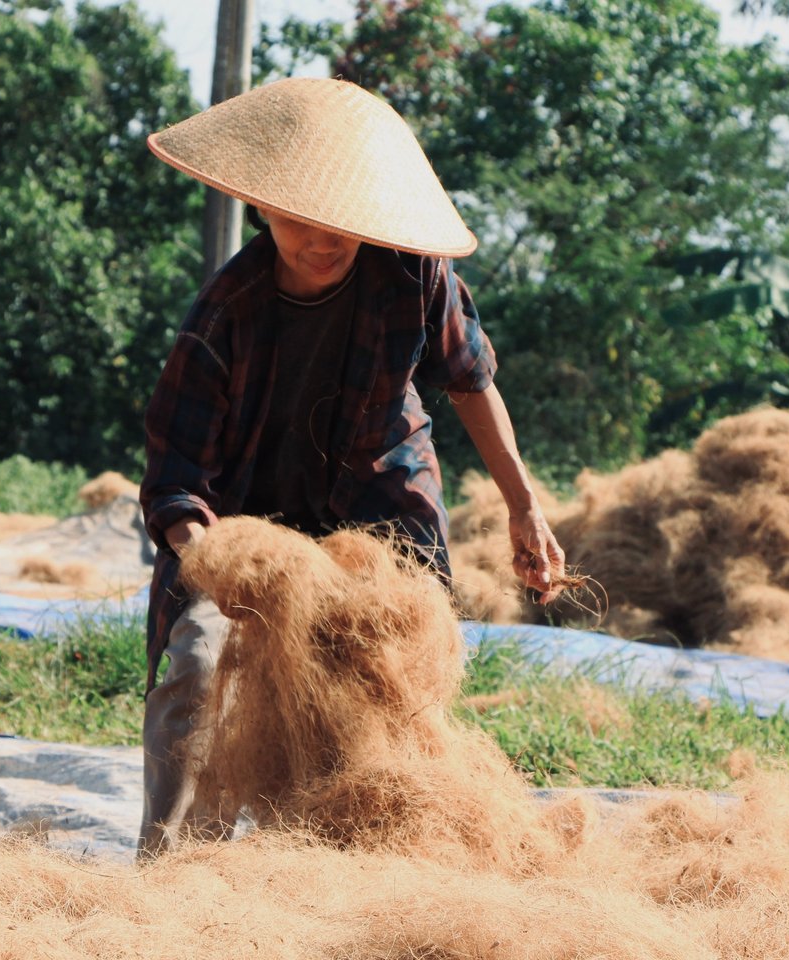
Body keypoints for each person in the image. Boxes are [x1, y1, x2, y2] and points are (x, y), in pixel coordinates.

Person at [137, 77, 565, 856]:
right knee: (197, 668)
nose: (324, 238)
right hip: (242, 533)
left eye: (343, 221)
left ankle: (369, 858)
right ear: (262, 207)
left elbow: (472, 382)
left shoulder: (412, 274)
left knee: (395, 679)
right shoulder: (225, 314)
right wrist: (218, 566)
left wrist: (523, 505)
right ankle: (172, 872)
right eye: (301, 219)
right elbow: (173, 481)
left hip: (378, 515)